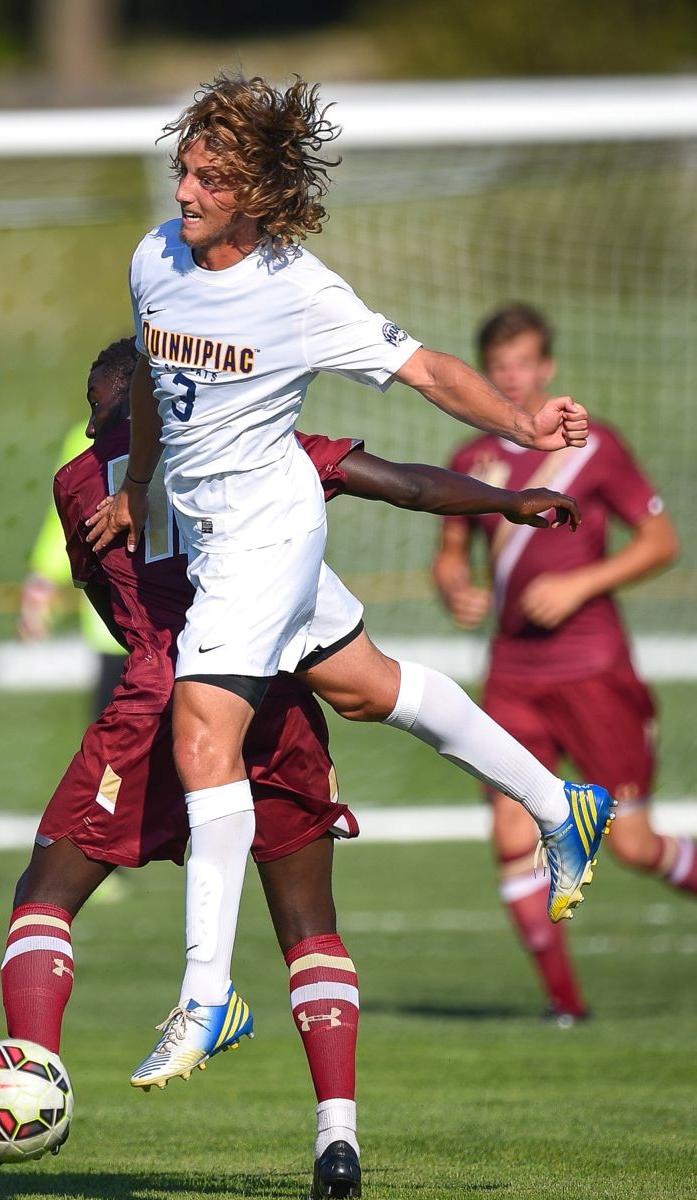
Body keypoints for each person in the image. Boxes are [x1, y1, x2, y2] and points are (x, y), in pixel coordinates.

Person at [0, 337, 588, 1197]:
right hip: (277, 708)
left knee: (46, 894)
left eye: (105, 407)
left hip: (164, 706)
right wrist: (505, 500)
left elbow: (113, 598)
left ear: (119, 407)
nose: (103, 422)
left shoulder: (81, 482)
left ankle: (37, 1085)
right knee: (310, 916)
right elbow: (399, 481)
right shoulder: (252, 449)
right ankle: (336, 1143)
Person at [88, 73, 615, 1087]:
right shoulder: (153, 257)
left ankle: (206, 997)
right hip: (210, 535)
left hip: (269, 531)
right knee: (365, 687)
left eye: (208, 176)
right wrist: (141, 483)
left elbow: (422, 370)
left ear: (255, 192)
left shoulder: (298, 290)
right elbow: (158, 380)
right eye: (183, 169)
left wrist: (521, 428)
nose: (185, 189)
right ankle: (559, 807)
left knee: (203, 731)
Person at [432, 302, 688, 1024]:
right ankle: (564, 1009)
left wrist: (580, 582)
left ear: (546, 367)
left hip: (593, 669)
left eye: (523, 364)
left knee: (634, 844)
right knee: (512, 833)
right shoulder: (469, 461)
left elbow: (660, 541)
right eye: (499, 367)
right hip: (512, 676)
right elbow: (450, 559)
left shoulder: (594, 447)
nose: (512, 378)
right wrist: (456, 590)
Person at [19, 378, 128, 720]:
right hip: (164, 631)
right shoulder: (188, 427)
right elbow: (66, 519)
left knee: (116, 761)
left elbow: (65, 520)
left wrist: (43, 580)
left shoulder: (85, 437)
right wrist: (43, 578)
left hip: (117, 627)